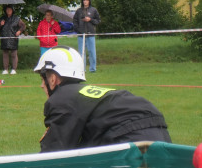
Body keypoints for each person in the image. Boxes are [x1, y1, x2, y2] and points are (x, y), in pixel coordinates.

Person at [34, 46, 171, 153]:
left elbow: (54, 153)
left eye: (42, 79)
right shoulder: (85, 96)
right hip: (159, 130)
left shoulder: (61, 99)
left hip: (129, 135)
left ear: (52, 79)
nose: (41, 86)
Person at [73, 0, 101, 73]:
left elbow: (98, 21)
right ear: (82, 1)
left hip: (91, 34)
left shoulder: (93, 10)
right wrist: (78, 30)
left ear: (89, 1)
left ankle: (92, 69)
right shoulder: (78, 11)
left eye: (87, 0)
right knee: (81, 52)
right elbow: (75, 22)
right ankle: (82, 69)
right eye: (84, 0)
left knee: (92, 52)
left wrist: (90, 20)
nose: (85, 1)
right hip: (81, 35)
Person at [0, 5, 26, 75]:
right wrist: (0, 25)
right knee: (5, 54)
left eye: (10, 9)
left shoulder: (16, 18)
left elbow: (23, 26)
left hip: (13, 38)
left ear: (12, 10)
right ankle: (5, 69)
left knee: (14, 54)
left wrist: (19, 31)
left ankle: (14, 69)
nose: (8, 11)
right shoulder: (2, 18)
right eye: (7, 9)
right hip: (4, 38)